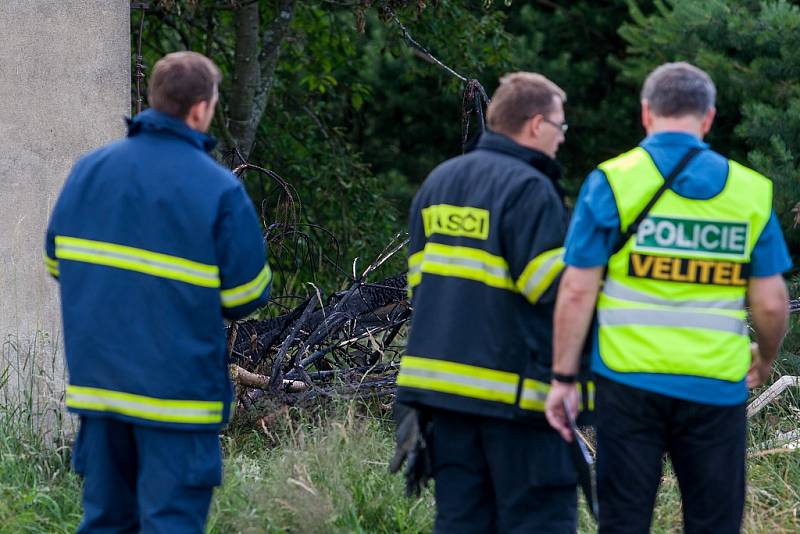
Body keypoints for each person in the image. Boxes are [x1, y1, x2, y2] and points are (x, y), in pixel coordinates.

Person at [544, 62, 791, 533]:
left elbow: (576, 290)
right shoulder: (750, 191)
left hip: (628, 382)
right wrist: (765, 356)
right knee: (714, 522)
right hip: (715, 385)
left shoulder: (612, 181)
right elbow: (772, 303)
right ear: (709, 118)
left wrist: (561, 377)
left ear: (645, 113)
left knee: (624, 520)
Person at [44, 51, 271, 533]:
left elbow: (56, 262)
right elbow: (248, 295)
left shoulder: (88, 170)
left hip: (101, 392)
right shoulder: (219, 191)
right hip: (177, 398)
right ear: (199, 110)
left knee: (105, 522)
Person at [395, 72, 593, 533]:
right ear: (536, 124)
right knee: (537, 521)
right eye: (561, 127)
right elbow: (556, 296)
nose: (562, 139)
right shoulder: (530, 189)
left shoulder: (440, 181)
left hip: (443, 403)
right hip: (515, 404)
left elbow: (419, 291)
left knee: (462, 523)